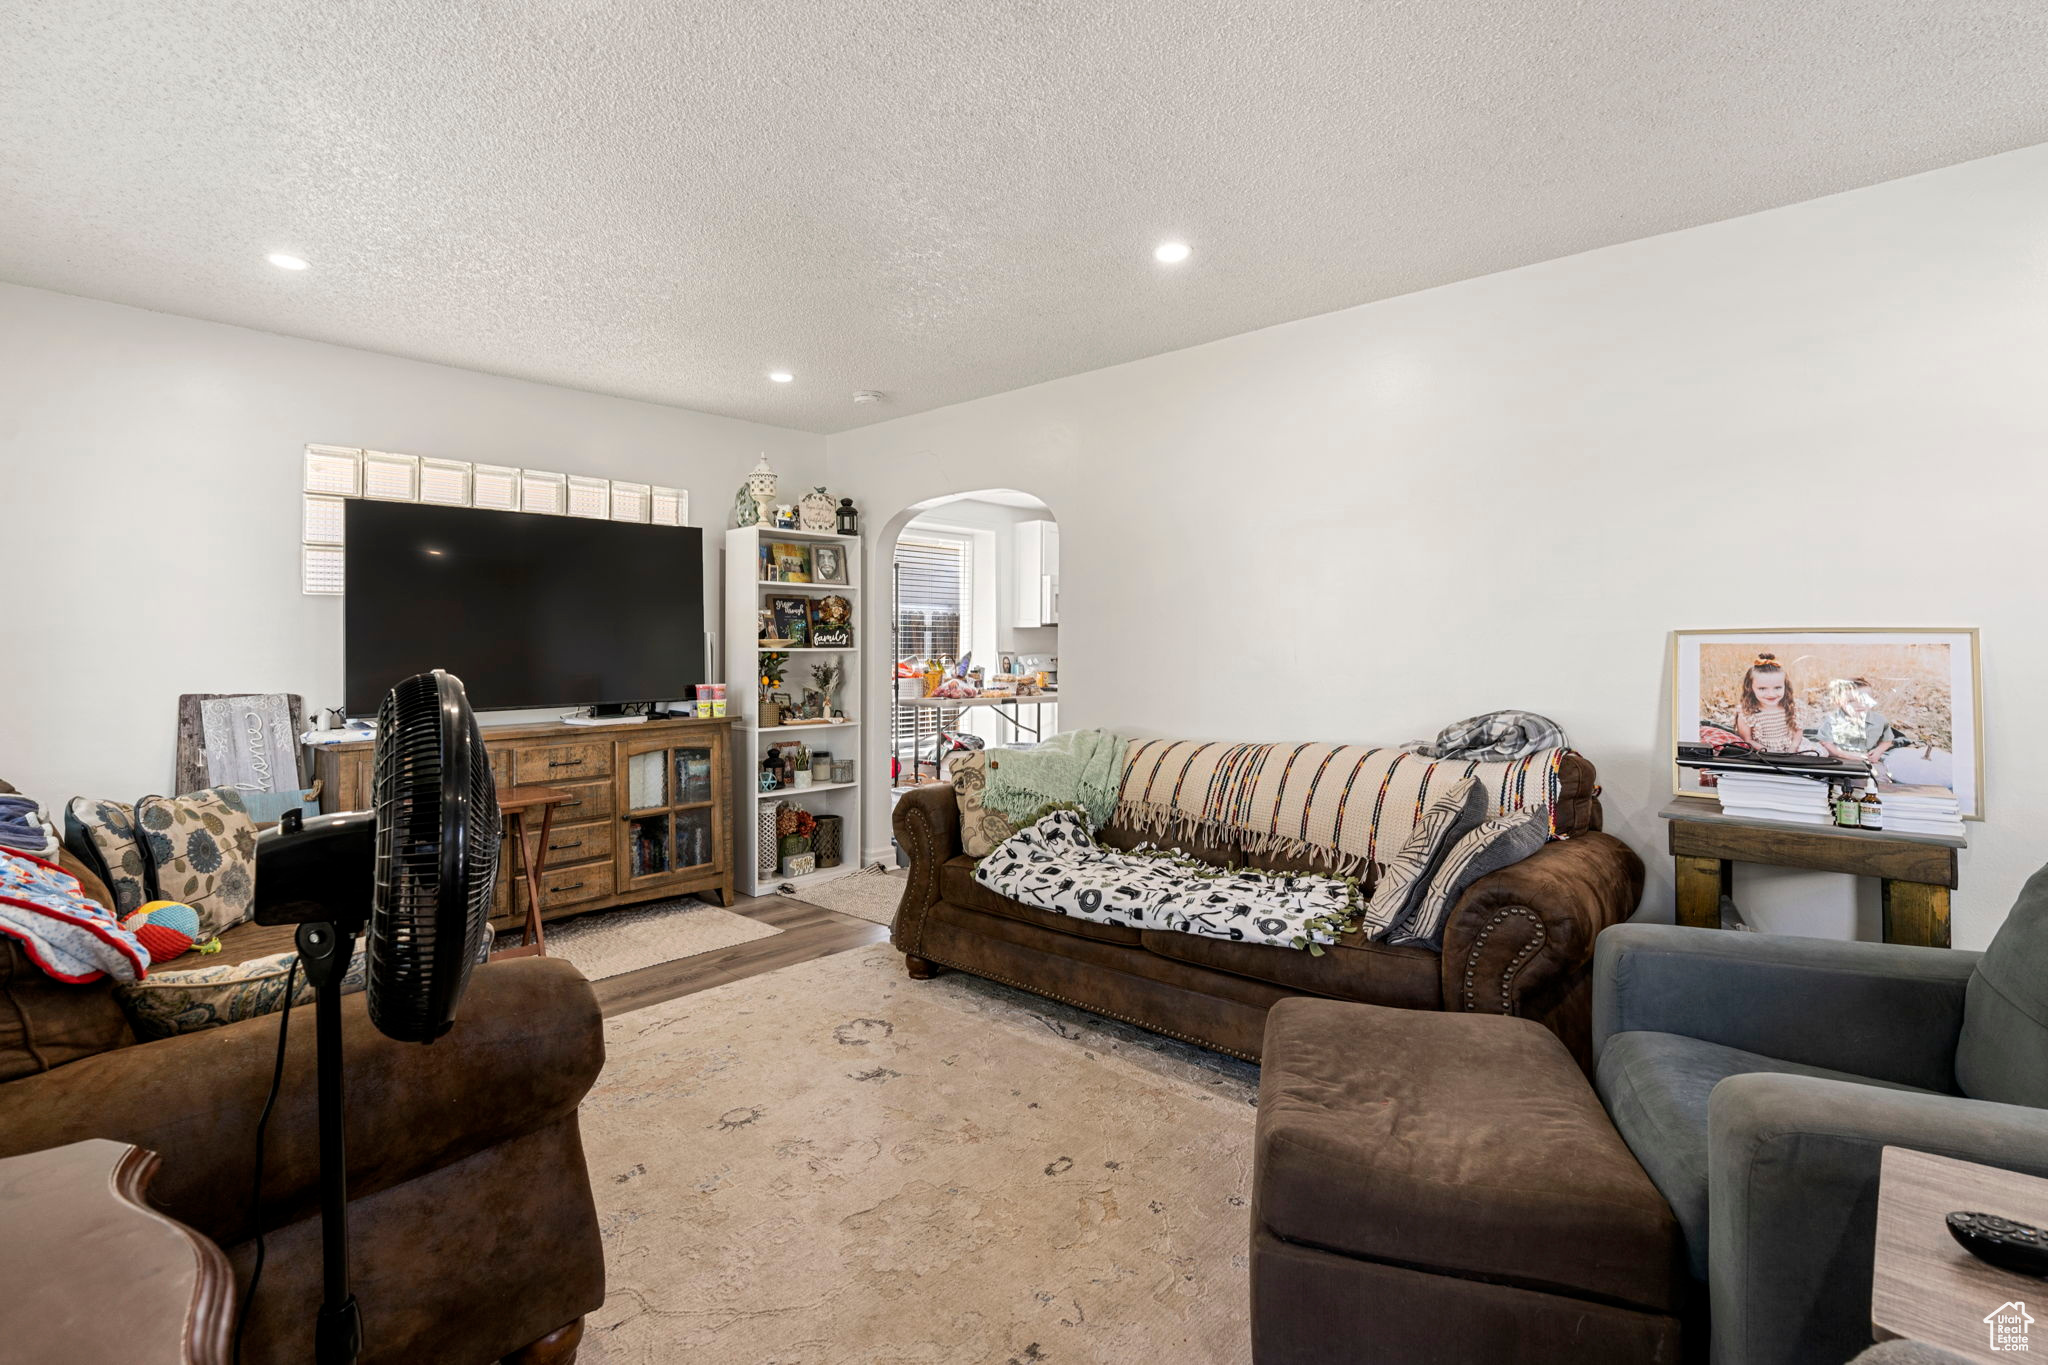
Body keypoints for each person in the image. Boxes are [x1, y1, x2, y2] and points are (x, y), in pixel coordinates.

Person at [1815, 676, 1898, 768]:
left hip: (1869, 759)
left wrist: (1878, 751)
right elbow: (1825, 743)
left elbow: (1887, 740)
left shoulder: (1879, 720)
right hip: (1839, 758)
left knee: (1884, 772)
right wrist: (1847, 755)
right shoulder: (1833, 720)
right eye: (1851, 701)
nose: (1859, 704)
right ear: (1839, 702)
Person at [1734, 652, 1809, 752]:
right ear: (1750, 688)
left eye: (1777, 688)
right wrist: (1770, 752)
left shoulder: (1794, 706)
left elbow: (1797, 732)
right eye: (1762, 688)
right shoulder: (1746, 712)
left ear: (1785, 686)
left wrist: (1792, 749)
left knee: (1815, 754)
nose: (1771, 694)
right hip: (1762, 751)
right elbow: (1747, 740)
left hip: (1792, 747)